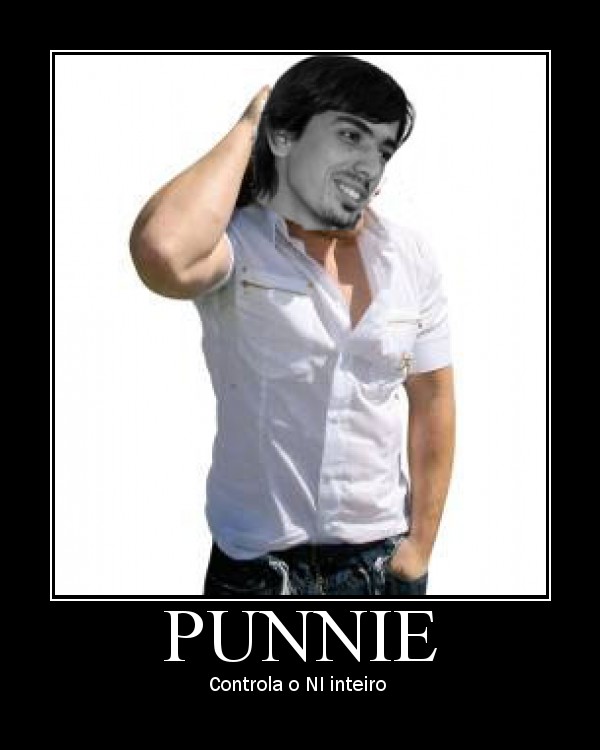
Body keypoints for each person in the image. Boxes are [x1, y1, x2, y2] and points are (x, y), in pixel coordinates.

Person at [130, 55, 455, 596]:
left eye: (383, 148)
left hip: (380, 564)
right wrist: (254, 122)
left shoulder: (408, 255)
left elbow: (434, 399)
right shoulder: (238, 243)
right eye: (350, 135)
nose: (370, 164)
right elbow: (163, 251)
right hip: (256, 569)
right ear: (284, 136)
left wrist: (420, 546)